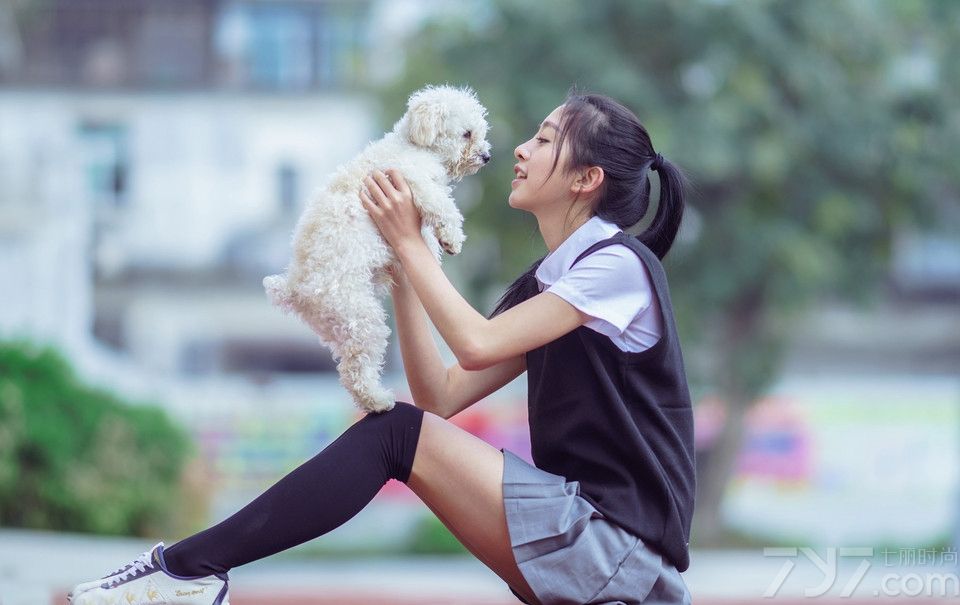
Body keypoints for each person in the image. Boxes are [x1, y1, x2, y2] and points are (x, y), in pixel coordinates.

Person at [68, 88, 696, 605]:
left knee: (394, 432)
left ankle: (185, 571)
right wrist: (402, 266)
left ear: (587, 178)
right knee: (395, 426)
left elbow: (475, 345)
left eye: (544, 139)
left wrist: (414, 246)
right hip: (580, 533)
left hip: (619, 548)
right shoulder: (551, 281)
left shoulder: (618, 266)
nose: (521, 150)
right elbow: (440, 396)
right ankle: (187, 571)